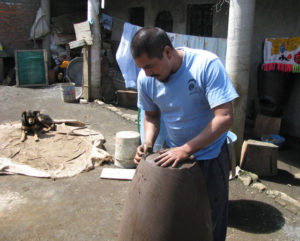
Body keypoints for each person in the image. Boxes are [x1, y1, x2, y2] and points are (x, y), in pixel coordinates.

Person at [131, 27, 239, 241]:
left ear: (168, 53)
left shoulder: (205, 65)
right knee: (174, 217)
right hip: (173, 157)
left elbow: (225, 117)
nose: (147, 74)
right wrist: (149, 143)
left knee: (211, 220)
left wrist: (186, 149)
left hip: (211, 157)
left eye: (150, 66)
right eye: (142, 68)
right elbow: (151, 115)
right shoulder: (146, 79)